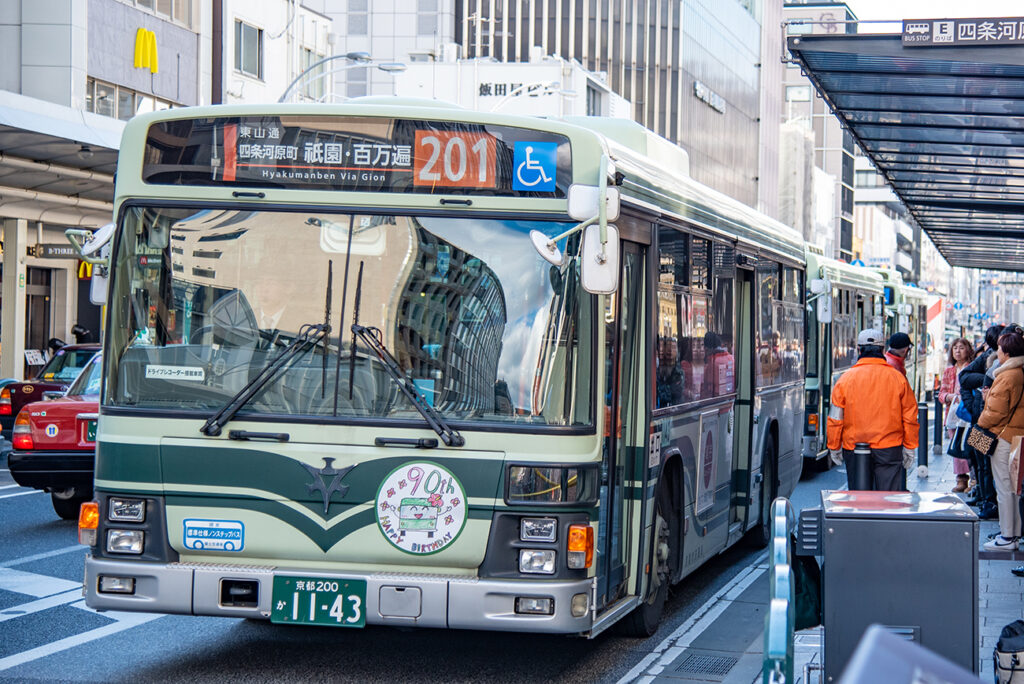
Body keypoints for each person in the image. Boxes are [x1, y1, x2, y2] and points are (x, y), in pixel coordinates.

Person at [827, 328, 920, 491]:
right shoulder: (897, 378)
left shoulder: (845, 380)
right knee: (889, 499)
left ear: (858, 350)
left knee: (859, 498)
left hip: (855, 447)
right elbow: (910, 416)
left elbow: (836, 418)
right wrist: (910, 446)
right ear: (883, 350)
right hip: (889, 447)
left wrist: (834, 446)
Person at [977, 330, 1024, 551]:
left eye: (999, 348)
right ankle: (1013, 533)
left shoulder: (1006, 375)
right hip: (1017, 437)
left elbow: (995, 412)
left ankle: (1007, 536)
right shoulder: (1020, 371)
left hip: (1003, 438)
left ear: (1006, 352)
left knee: (1004, 488)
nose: (997, 352)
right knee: (1014, 488)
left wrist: (983, 415)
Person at [960, 324, 1005, 518]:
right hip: (982, 419)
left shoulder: (1011, 367)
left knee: (989, 465)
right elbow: (964, 377)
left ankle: (990, 502)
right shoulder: (988, 357)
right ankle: (985, 499)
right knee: (980, 461)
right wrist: (972, 405)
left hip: (994, 422)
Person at [940, 338, 975, 492]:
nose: (958, 351)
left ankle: (974, 479)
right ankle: (961, 479)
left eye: (961, 348)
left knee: (970, 446)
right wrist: (950, 397)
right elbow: (941, 394)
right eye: (955, 348)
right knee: (956, 448)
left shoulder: (973, 368)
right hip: (953, 416)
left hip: (969, 414)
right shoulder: (949, 371)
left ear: (968, 350)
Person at [700, 332, 734, 398]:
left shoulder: (712, 363)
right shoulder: (731, 358)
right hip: (729, 401)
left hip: (716, 403)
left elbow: (707, 390)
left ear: (706, 348)